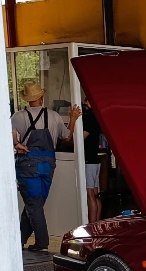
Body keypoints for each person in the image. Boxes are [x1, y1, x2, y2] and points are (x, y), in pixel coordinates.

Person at [11, 81, 81, 251]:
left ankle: (42, 242)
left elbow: (10, 138)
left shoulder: (18, 117)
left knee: (33, 204)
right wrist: (72, 119)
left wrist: (17, 144)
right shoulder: (55, 116)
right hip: (48, 165)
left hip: (28, 165)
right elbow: (66, 138)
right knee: (34, 204)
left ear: (27, 99)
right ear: (41, 97)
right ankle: (19, 240)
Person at [81, 97, 103, 223]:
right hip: (95, 159)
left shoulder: (89, 118)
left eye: (86, 101)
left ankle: (92, 225)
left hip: (88, 160)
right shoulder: (98, 117)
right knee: (95, 194)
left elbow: (82, 138)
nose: (84, 104)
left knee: (90, 195)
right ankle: (97, 223)